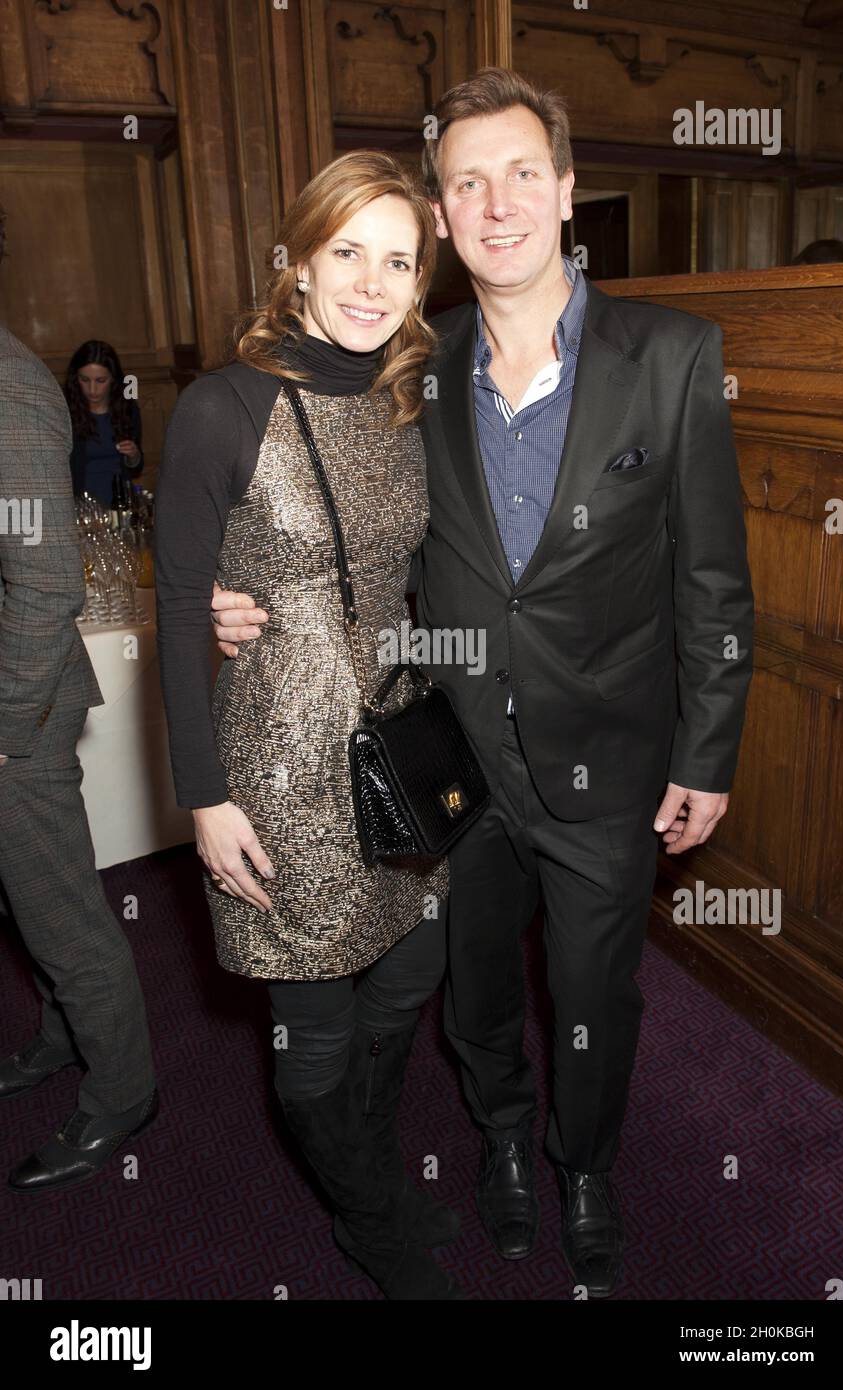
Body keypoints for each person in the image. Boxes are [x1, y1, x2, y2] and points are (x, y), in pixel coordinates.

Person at [212, 69, 755, 1300]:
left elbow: (714, 582)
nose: (497, 202)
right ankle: (504, 1137)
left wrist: (707, 753)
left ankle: (585, 1163)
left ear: (567, 191)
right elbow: (311, 511)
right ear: (444, 220)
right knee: (475, 986)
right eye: (467, 182)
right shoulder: (409, 363)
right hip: (454, 754)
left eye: (523, 173)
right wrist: (228, 592)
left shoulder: (673, 357)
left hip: (610, 760)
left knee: (591, 988)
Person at [154, 151, 461, 1301]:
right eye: (348, 252)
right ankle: (371, 1221)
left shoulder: (403, 394)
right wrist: (204, 794)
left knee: (411, 965)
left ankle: (366, 1174)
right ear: (298, 259)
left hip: (397, 739)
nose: (373, 283)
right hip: (279, 761)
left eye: (398, 258)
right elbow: (182, 605)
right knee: (313, 1018)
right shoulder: (223, 405)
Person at [0, 207, 157, 1192]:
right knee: (33, 894)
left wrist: (6, 735)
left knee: (60, 909)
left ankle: (124, 1088)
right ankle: (62, 1035)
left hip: (20, 704)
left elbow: (48, 586)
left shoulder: (9, 390)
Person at [65, 340, 143, 504]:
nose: (92, 389)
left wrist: (133, 456)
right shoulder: (65, 412)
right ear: (75, 378)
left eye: (101, 381)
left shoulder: (127, 408)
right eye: (84, 380)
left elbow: (135, 469)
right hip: (80, 503)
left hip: (121, 500)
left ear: (113, 379)